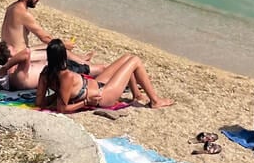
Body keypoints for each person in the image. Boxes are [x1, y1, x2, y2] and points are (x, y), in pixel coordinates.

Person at [0, 0, 105, 78]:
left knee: (47, 47)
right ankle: (84, 64)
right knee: (61, 50)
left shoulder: (11, 7)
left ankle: (81, 58)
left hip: (9, 52)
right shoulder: (23, 13)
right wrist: (63, 45)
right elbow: (44, 37)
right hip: (18, 56)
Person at [36, 38, 173, 111]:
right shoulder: (66, 77)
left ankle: (136, 94)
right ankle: (155, 101)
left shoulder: (45, 74)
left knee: (127, 57)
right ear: (63, 57)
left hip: (96, 84)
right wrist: (85, 102)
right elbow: (62, 108)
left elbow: (39, 102)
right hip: (103, 96)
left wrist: (56, 95)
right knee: (135, 60)